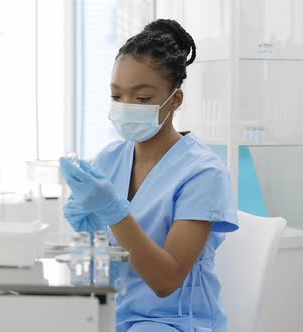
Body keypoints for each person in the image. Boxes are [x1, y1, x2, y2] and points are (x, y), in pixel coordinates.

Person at [60, 19, 239, 332]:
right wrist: (88, 237)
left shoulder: (203, 172)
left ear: (176, 100)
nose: (127, 107)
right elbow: (106, 270)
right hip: (113, 313)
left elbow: (165, 281)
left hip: (174, 321)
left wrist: (114, 213)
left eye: (142, 98)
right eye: (117, 97)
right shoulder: (110, 159)